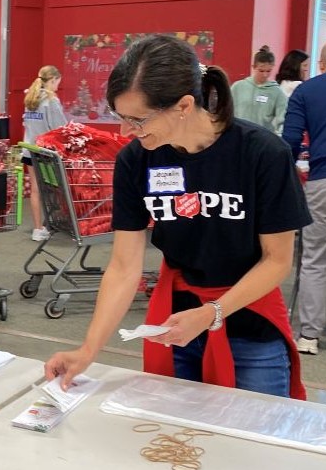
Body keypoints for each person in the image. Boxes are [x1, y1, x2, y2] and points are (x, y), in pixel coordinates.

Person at [45, 34, 310, 400]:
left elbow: (277, 261)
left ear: (184, 105)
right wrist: (88, 349)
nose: (125, 131)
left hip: (251, 325)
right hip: (175, 325)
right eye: (121, 117)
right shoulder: (137, 160)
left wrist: (212, 313)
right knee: (173, 430)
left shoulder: (262, 154)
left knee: (254, 432)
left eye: (137, 119)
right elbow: (123, 266)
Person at [282, 40, 326, 355]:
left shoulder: (306, 91)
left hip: (323, 179)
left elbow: (290, 139)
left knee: (315, 258)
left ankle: (309, 337)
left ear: (321, 64)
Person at [21, 65, 67, 241]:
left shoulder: (30, 98)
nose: (57, 87)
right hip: (46, 153)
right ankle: (59, 222)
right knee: (57, 187)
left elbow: (26, 124)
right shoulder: (51, 100)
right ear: (53, 80)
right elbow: (60, 128)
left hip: (29, 151)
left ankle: (38, 229)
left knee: (36, 190)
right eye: (57, 83)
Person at [230, 45, 288, 134]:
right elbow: (226, 111)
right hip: (238, 135)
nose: (265, 75)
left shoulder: (277, 92)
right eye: (261, 71)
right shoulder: (237, 87)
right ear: (253, 67)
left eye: (268, 71)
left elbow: (282, 120)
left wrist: (278, 136)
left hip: (262, 138)